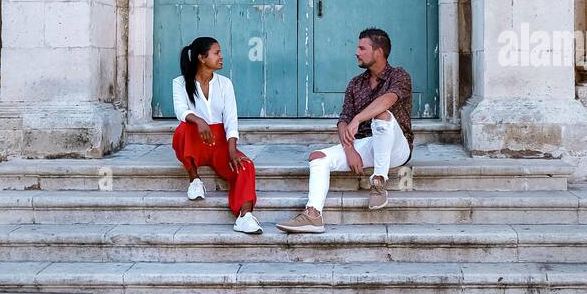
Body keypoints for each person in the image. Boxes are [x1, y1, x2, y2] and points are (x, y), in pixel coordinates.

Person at [277, 27, 413, 234]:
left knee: (381, 116)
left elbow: (387, 100)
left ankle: (378, 181)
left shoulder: (399, 75)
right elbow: (343, 120)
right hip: (365, 144)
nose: (356, 52)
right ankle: (313, 215)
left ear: (378, 52)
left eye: (362, 48)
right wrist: (349, 149)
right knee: (317, 157)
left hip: (396, 147)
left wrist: (359, 118)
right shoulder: (355, 83)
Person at [172, 36, 262, 234]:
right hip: (195, 140)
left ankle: (245, 215)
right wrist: (199, 120)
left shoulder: (225, 84)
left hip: (220, 143)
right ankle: (194, 179)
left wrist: (232, 148)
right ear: (202, 58)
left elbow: (231, 118)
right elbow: (180, 110)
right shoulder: (180, 83)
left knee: (245, 165)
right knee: (183, 129)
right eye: (217, 52)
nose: (221, 57)